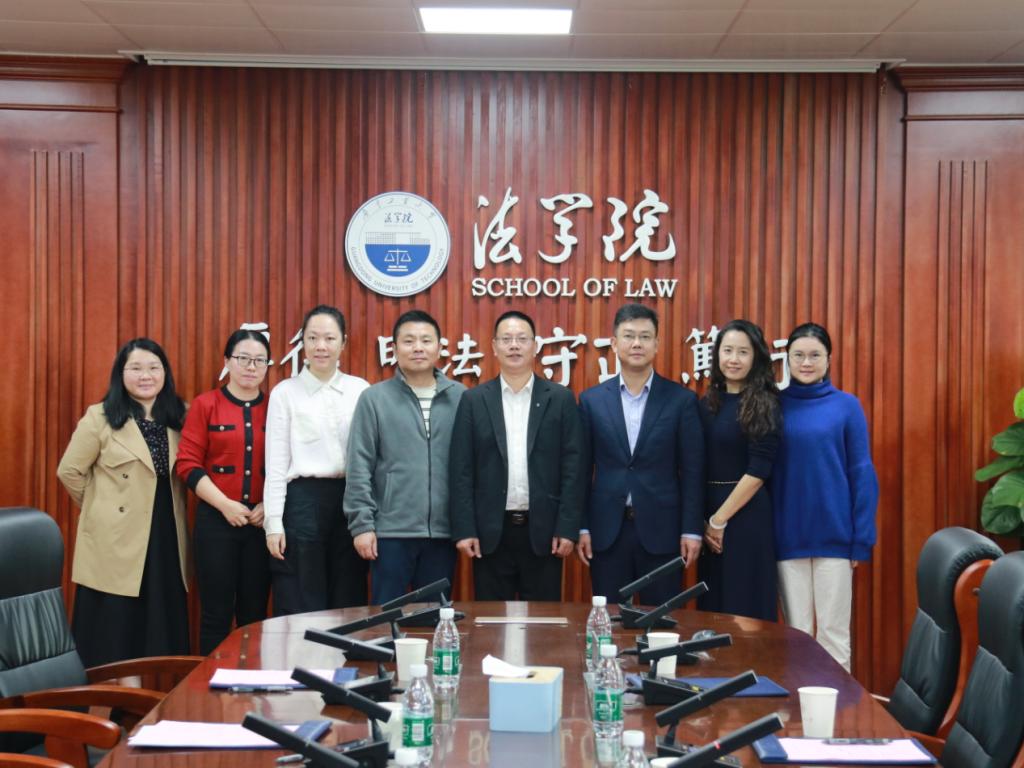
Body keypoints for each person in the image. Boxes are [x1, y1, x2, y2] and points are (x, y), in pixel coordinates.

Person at [57, 338, 189, 666]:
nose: (146, 376)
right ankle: (123, 691)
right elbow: (69, 471)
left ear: (165, 373)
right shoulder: (100, 417)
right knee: (118, 627)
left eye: (154, 368)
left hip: (165, 534)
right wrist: (101, 507)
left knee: (156, 626)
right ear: (121, 373)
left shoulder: (179, 416)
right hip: (115, 538)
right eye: (136, 368)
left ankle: (146, 691)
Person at [449, 310, 583, 601]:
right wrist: (465, 529)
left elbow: (574, 468)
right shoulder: (474, 400)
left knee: (544, 622)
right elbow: (461, 470)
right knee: (491, 621)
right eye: (506, 339)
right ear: (494, 347)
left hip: (545, 533)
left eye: (522, 339)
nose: (514, 345)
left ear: (535, 346)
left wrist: (567, 527)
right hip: (490, 533)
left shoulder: (560, 399)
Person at [576, 303, 705, 605]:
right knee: (608, 618)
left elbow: (693, 471)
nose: (637, 343)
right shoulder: (592, 401)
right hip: (607, 532)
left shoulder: (681, 400)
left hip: (663, 531)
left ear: (657, 344)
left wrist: (691, 530)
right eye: (629, 336)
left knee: (661, 620)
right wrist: (582, 526)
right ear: (614, 343)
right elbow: (581, 470)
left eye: (645, 337)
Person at [772, 322, 878, 671]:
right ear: (787, 358)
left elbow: (861, 472)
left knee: (833, 635)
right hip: (788, 537)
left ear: (829, 359)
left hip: (836, 538)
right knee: (796, 635)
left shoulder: (847, 406)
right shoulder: (773, 405)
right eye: (798, 355)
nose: (806, 362)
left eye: (815, 355)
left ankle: (838, 707)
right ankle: (800, 706)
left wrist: (861, 539)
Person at [345, 309, 466, 605]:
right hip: (389, 533)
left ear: (439, 347)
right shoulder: (375, 399)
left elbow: (471, 468)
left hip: (444, 534)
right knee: (387, 620)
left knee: (436, 618)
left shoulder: (461, 397)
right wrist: (362, 526)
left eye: (426, 340)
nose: (418, 348)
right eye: (409, 341)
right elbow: (359, 465)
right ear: (395, 348)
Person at [263, 305, 369, 616]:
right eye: (312, 338)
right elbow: (276, 464)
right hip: (302, 503)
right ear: (303, 343)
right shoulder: (285, 392)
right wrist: (273, 522)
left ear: (343, 342)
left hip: (350, 500)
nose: (321, 346)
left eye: (329, 338)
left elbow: (370, 459)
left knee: (348, 596)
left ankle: (346, 652)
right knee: (302, 598)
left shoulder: (360, 390)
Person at [175, 330, 272, 654]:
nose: (251, 367)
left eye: (259, 360)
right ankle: (210, 683)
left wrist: (268, 504)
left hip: (261, 524)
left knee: (254, 616)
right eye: (243, 358)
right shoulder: (206, 405)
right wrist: (225, 505)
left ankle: (251, 681)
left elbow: (287, 462)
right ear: (228, 361)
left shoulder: (276, 406)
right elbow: (187, 464)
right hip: (216, 522)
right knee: (215, 615)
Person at [697, 319, 781, 621]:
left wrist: (719, 520)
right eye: (727, 350)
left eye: (743, 352)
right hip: (708, 519)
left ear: (756, 357)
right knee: (713, 610)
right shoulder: (707, 402)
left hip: (746, 517)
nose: (734, 359)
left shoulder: (765, 403)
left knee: (745, 608)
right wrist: (705, 521)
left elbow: (759, 470)